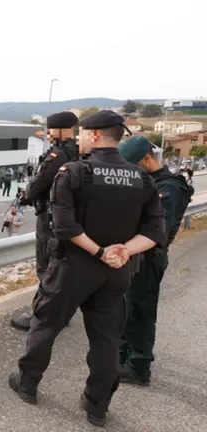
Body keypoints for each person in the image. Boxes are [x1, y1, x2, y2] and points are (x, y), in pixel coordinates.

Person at [9, 110, 166, 427]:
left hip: (74, 267)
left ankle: (27, 383)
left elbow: (64, 226)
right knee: (107, 338)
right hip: (117, 269)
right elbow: (154, 232)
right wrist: (121, 251)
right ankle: (97, 406)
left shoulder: (74, 172)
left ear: (95, 136)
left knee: (46, 324)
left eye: (81, 134)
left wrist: (99, 251)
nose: (78, 138)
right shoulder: (143, 179)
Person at [117, 135, 192, 386]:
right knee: (128, 309)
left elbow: (157, 228)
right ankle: (124, 357)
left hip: (149, 257)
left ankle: (139, 367)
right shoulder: (145, 183)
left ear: (147, 160)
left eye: (132, 167)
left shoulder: (169, 187)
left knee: (141, 311)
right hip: (135, 256)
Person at [11, 111, 81, 331]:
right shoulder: (80, 152)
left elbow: (39, 182)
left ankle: (42, 318)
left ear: (60, 129)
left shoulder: (57, 155)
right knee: (61, 268)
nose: (49, 133)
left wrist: (25, 196)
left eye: (51, 129)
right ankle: (61, 314)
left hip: (49, 220)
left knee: (47, 269)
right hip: (69, 217)